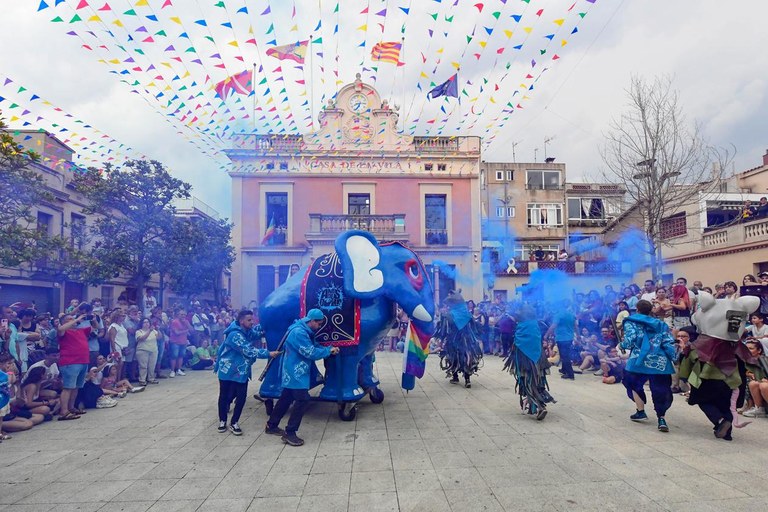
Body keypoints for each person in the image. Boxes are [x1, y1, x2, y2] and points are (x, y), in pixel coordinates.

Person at [265, 309, 338, 446]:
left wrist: (328, 347)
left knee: (286, 398)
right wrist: (328, 351)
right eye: (318, 323)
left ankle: (271, 425)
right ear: (311, 321)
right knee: (303, 399)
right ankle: (290, 432)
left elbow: (313, 345)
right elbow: (310, 352)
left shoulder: (304, 330)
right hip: (295, 373)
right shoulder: (299, 332)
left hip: (294, 371)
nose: (319, 326)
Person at [216, 309, 279, 436]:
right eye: (249, 320)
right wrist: (268, 353)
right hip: (227, 370)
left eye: (253, 319)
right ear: (241, 321)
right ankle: (222, 420)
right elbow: (248, 350)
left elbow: (257, 332)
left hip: (241, 371)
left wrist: (268, 321)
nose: (252, 322)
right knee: (224, 396)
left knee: (241, 397)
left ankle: (234, 422)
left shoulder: (247, 331)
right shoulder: (235, 335)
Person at [619, 299, 677, 433]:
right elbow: (668, 342)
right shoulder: (660, 324)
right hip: (660, 361)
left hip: (638, 360)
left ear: (637, 310)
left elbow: (629, 341)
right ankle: (661, 418)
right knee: (661, 389)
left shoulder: (631, 321)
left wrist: (621, 345)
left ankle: (640, 411)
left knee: (631, 382)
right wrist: (674, 358)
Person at [503, 306, 555, 420]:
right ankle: (534, 406)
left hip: (525, 360)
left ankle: (540, 406)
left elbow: (517, 344)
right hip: (538, 359)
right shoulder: (534, 325)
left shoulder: (521, 327)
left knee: (528, 382)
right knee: (536, 382)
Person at [56, 311, 99, 420]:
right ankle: (64, 411)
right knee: (68, 387)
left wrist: (93, 318)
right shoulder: (64, 332)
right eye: (69, 319)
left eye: (73, 318)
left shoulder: (81, 331)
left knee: (76, 387)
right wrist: (76, 319)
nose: (73, 320)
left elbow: (95, 327)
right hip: (70, 362)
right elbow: (60, 329)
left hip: (83, 361)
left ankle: (71, 407)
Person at [436, 291, 483, 388]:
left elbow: (444, 330)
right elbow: (475, 328)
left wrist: (441, 340)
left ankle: (455, 377)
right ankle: (467, 379)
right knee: (467, 358)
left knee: (453, 358)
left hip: (453, 341)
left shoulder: (449, 315)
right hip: (467, 341)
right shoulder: (467, 314)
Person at [546, 302, 578, 380]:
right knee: (564, 354)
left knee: (565, 356)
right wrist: (578, 335)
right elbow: (575, 326)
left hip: (562, 338)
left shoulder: (558, 315)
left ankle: (570, 374)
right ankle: (564, 369)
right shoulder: (571, 314)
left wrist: (546, 334)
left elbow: (553, 326)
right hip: (570, 337)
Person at [135, 318, 160, 386]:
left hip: (153, 350)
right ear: (141, 324)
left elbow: (159, 338)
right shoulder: (139, 331)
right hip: (143, 350)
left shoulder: (154, 331)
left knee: (152, 366)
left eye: (148, 322)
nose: (146, 324)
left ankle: (151, 378)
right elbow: (142, 338)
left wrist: (158, 330)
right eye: (144, 322)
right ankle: (142, 380)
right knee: (143, 366)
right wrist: (149, 330)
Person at [168, 308, 191, 377]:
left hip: (183, 341)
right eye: (181, 314)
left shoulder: (186, 322)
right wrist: (185, 331)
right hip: (175, 342)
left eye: (184, 314)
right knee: (174, 356)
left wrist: (187, 324)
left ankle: (179, 370)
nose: (183, 316)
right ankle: (172, 371)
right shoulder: (175, 322)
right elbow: (176, 332)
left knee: (181, 356)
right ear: (178, 315)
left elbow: (192, 330)